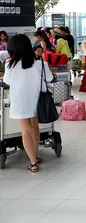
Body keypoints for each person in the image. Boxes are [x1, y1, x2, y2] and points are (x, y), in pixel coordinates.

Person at [3, 34, 53, 173]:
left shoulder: (10, 64)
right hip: (37, 98)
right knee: (35, 127)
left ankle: (33, 163)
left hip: (20, 100)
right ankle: (35, 156)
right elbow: (49, 78)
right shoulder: (39, 63)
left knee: (25, 131)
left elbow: (7, 81)